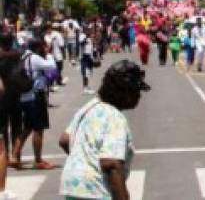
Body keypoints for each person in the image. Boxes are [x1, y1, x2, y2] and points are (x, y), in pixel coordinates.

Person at [60, 60, 149, 200]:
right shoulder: (115, 117)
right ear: (124, 92)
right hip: (97, 190)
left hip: (73, 186)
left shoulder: (89, 107)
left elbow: (65, 140)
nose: (139, 96)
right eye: (136, 91)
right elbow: (111, 163)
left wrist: (84, 162)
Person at [11, 38, 57, 171]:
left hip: (24, 97)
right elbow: (52, 66)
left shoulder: (23, 56)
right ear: (39, 47)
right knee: (38, 129)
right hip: (35, 97)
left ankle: (14, 156)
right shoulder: (35, 58)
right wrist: (48, 54)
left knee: (27, 128)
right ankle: (38, 160)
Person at [0, 34, 23, 200]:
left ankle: (9, 155)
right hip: (13, 96)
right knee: (16, 127)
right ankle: (16, 156)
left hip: (3, 100)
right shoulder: (17, 55)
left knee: (3, 134)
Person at [80, 28, 96, 94]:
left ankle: (86, 86)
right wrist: (86, 37)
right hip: (85, 57)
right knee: (85, 73)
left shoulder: (90, 39)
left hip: (90, 57)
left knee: (89, 73)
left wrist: (95, 56)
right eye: (90, 32)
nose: (92, 33)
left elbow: (92, 48)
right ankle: (85, 88)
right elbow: (81, 43)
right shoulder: (83, 37)